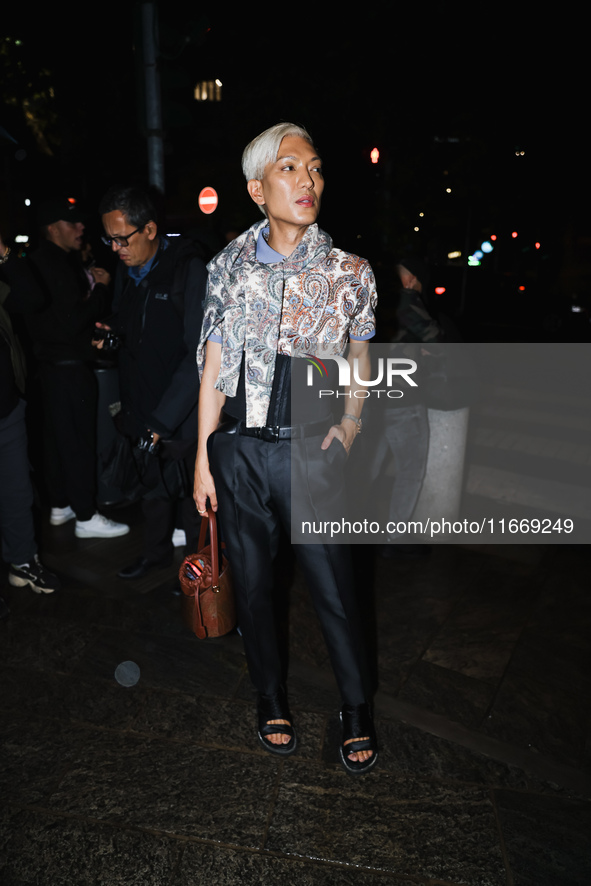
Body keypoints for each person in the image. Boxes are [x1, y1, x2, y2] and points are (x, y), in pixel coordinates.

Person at [194, 123, 379, 774]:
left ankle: (355, 708)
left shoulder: (346, 272)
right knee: (253, 588)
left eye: (315, 169)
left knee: (335, 590)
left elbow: (358, 357)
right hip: (240, 449)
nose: (307, 181)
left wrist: (349, 428)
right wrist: (202, 458)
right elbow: (213, 359)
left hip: (310, 448)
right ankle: (268, 696)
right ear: (256, 188)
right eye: (289, 169)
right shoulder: (226, 267)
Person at [96, 186, 206, 579]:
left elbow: (200, 355)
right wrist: (111, 334)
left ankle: (197, 573)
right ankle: (156, 554)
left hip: (182, 413)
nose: (114, 248)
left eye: (121, 238)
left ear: (150, 229)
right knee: (153, 492)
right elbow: (135, 332)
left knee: (195, 498)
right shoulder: (128, 275)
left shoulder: (188, 270)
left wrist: (164, 421)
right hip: (141, 406)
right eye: (108, 238)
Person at [27, 198, 129, 539]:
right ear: (53, 227)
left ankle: (60, 505)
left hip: (48, 369)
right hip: (69, 369)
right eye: (72, 223)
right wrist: (101, 288)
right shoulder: (58, 265)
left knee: (56, 442)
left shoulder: (39, 262)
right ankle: (86, 516)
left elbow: (54, 321)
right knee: (78, 443)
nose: (81, 227)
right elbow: (74, 320)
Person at [0, 233, 60, 597]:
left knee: (18, 492)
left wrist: (4, 252)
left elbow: (31, 298)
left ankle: (23, 563)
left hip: (7, 408)